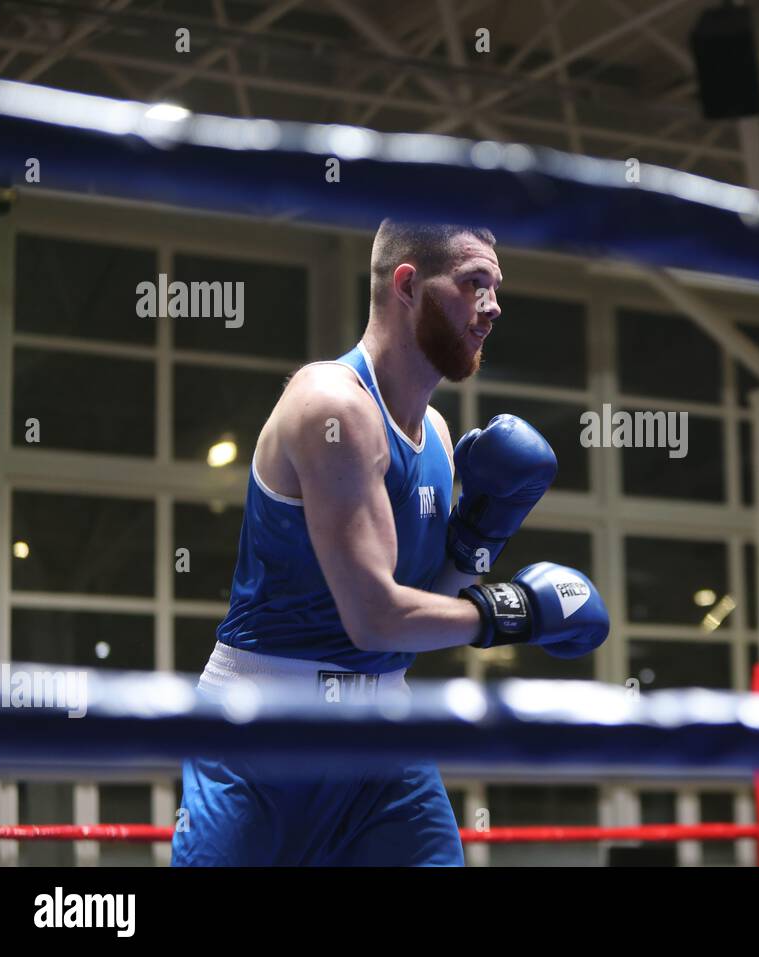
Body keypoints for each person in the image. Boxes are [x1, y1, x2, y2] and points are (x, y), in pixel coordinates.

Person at [172, 220, 609, 866]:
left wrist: (474, 544)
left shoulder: (434, 433)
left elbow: (416, 614)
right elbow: (375, 616)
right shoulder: (332, 407)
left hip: (382, 743)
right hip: (262, 739)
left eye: (496, 285)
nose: (493, 306)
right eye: (473, 283)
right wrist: (514, 609)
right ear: (407, 285)